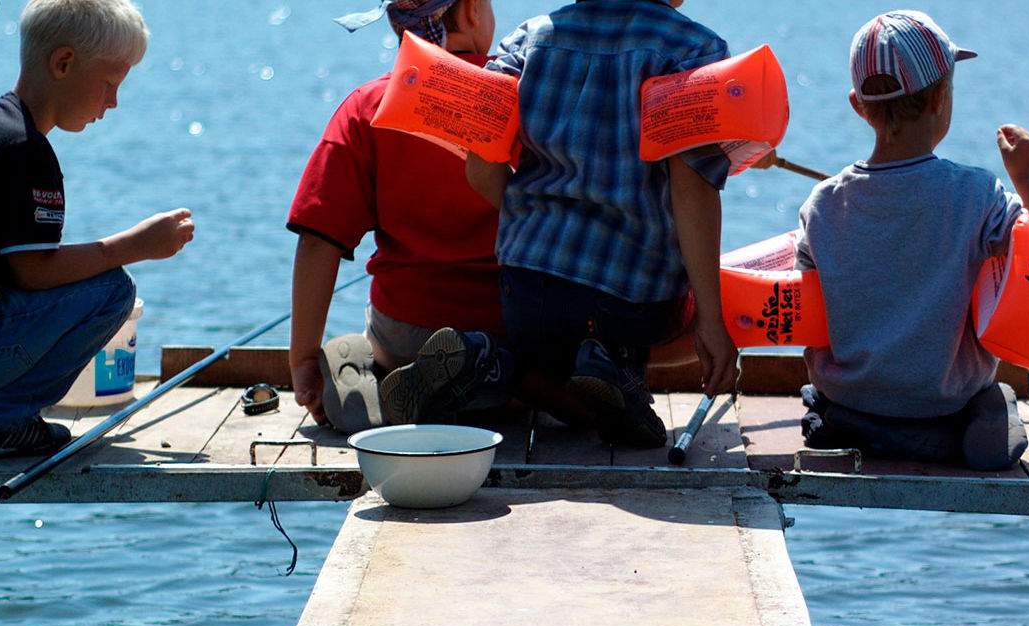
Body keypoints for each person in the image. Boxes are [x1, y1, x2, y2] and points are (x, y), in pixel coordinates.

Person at [407, 0, 739, 448]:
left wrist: (532, 224)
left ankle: (495, 363)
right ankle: (615, 364)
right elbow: (692, 190)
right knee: (674, 317)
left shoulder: (527, 40)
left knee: (562, 370)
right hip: (628, 302)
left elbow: (480, 171)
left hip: (524, 291)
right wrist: (712, 320)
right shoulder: (691, 49)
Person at [0, 0, 193, 462]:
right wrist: (137, 245)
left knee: (51, 285)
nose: (113, 101)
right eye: (111, 83)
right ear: (64, 63)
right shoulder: (26, 151)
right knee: (112, 292)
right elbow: (35, 275)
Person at [794, 10, 1029, 470]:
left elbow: (806, 309)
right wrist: (1027, 180)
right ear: (940, 99)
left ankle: (845, 419)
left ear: (858, 105)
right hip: (945, 400)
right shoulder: (979, 195)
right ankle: (973, 426)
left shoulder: (820, 205)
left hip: (850, 393)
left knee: (826, 396)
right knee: (996, 397)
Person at [287, 0, 511, 433]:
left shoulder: (368, 105)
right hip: (509, 325)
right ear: (470, 13)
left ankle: (380, 383)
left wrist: (303, 359)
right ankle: (473, 384)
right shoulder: (518, 95)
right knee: (521, 374)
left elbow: (319, 238)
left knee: (399, 347)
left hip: (404, 331)